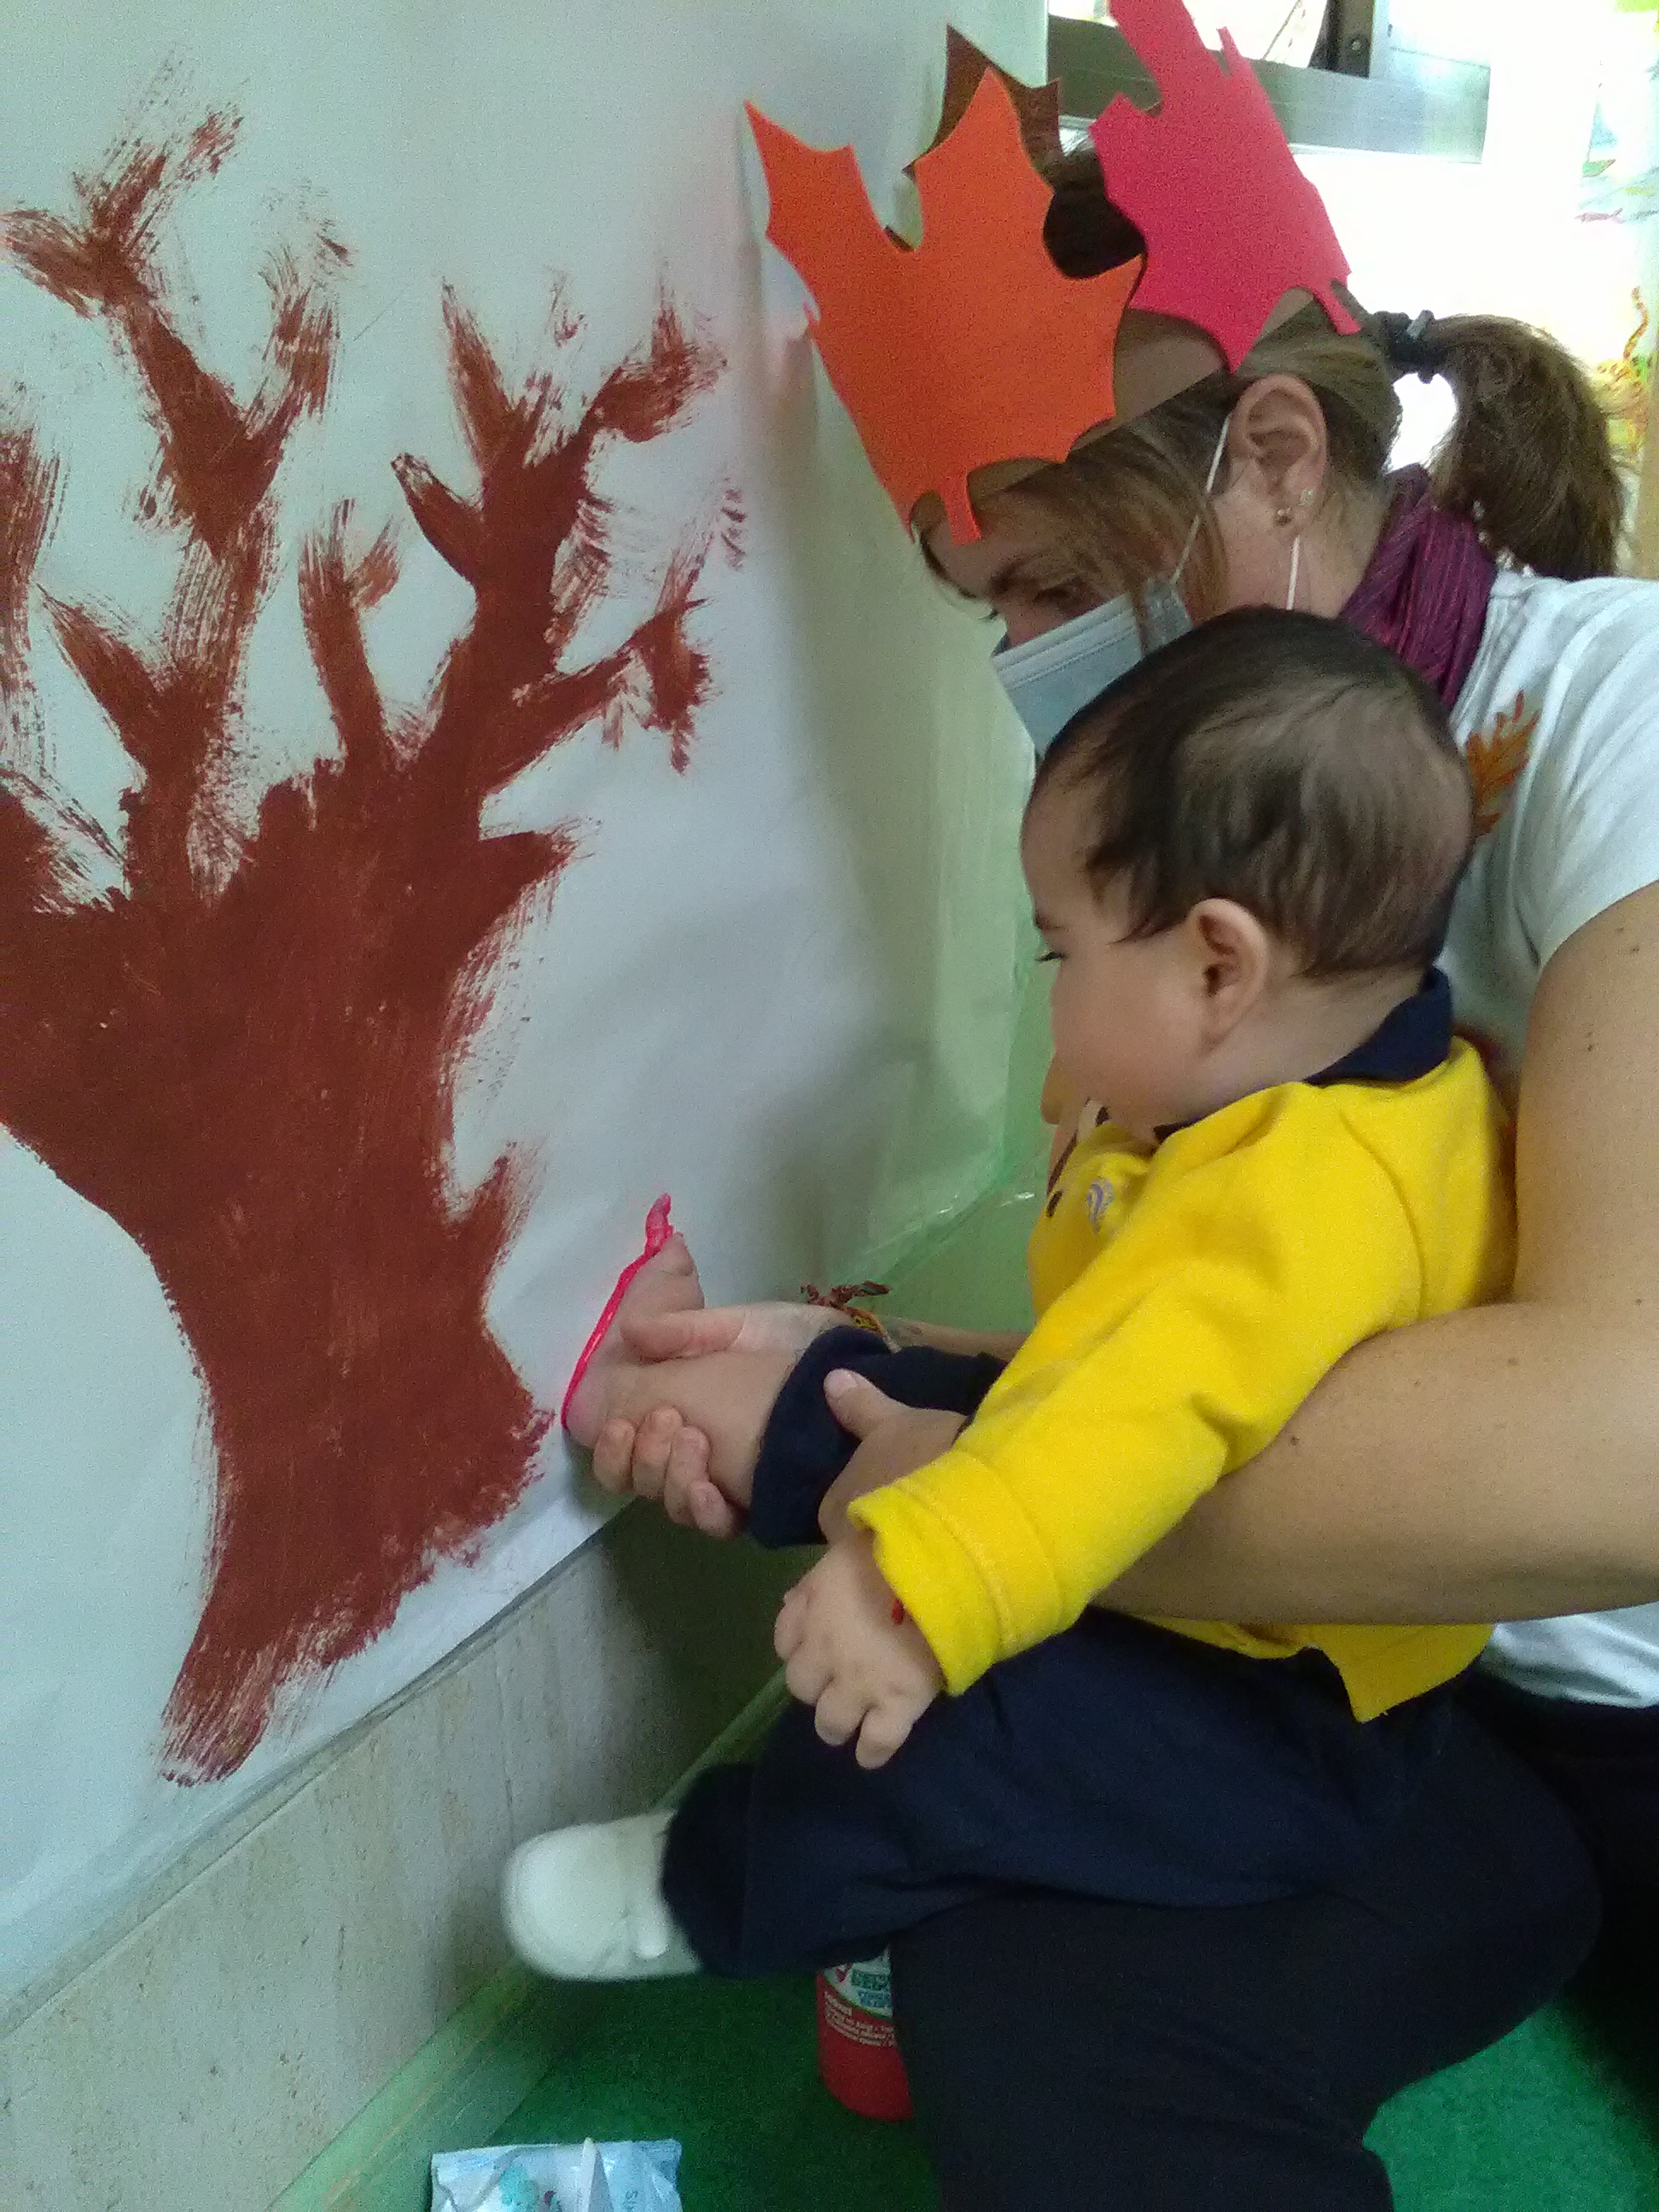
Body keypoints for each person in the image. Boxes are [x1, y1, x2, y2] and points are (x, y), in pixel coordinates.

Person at [531, 20, 1659, 2208]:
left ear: (1262, 454)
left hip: (1601, 1685)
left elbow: (1618, 1450)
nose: (1032, 660)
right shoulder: (1175, 879)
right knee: (1027, 2030)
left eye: (1054, 590)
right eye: (998, 613)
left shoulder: (1604, 728)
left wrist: (995, 1483)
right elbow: (1213, 1326)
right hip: (1375, 1718)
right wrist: (863, 1388)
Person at [504, 608, 1516, 1988]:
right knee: (867, 1399)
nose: (1052, 996)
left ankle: (708, 1886)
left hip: (1278, 1722)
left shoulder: (1299, 1198)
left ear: (1220, 969)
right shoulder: (1303, 1083)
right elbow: (1085, 1367)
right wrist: (866, 1367)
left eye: (1062, 957)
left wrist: (910, 1590)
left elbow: (1125, 1426)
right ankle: (692, 1403)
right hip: (1168, 1505)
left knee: (941, 1731)